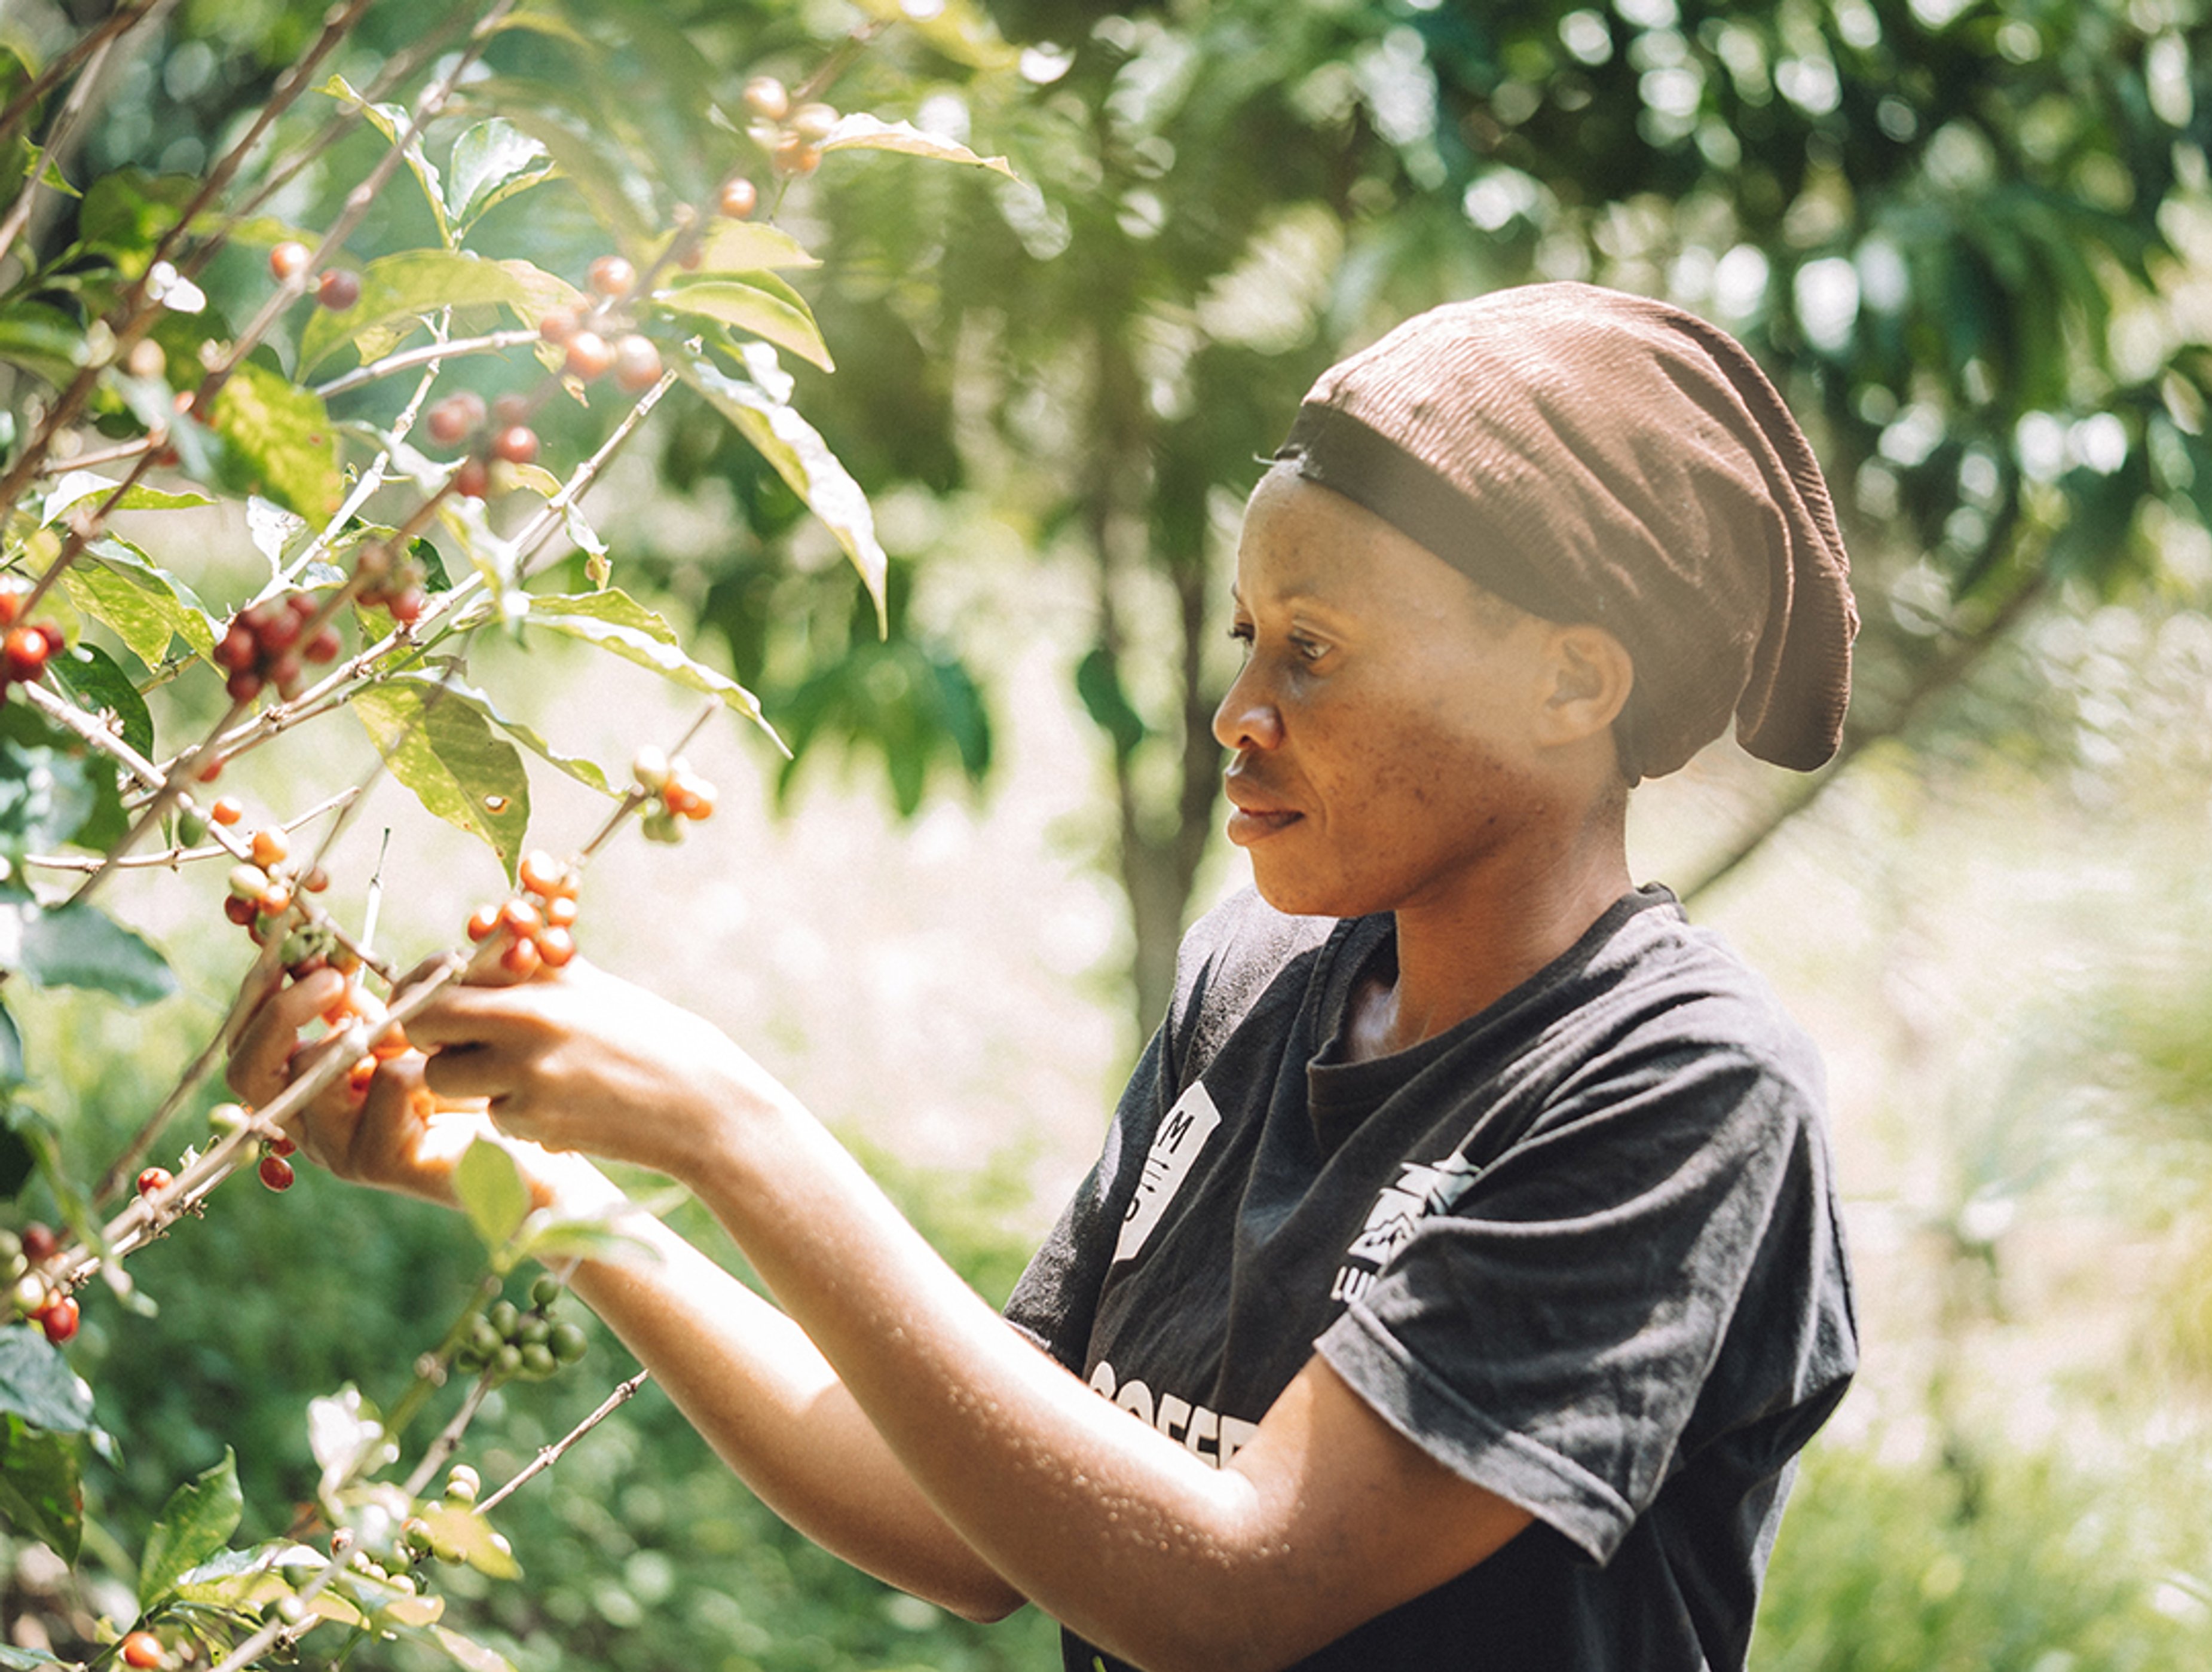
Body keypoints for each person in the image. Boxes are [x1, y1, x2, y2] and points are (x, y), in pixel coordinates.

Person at [228, 281, 1859, 1672]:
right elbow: (982, 1512)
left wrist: (733, 1127)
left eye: (1316, 650)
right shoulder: (1259, 982)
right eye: (1243, 637)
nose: (1238, 713)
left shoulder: (1678, 1090)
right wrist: (543, 1192)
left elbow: (1240, 1587)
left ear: (1570, 683)